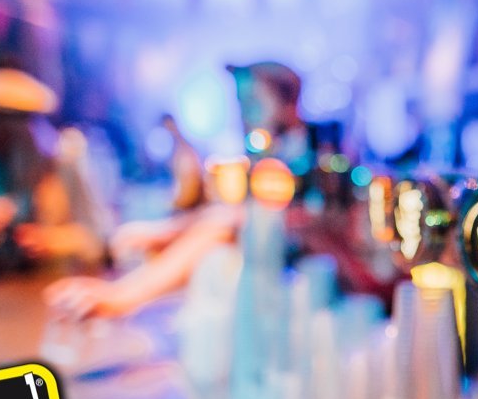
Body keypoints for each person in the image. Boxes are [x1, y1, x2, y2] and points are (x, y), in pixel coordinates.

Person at [44, 61, 316, 320]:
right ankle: (120, 293)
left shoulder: (308, 154)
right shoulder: (270, 152)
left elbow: (250, 217)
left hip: (296, 255)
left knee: (216, 228)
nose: (244, 113)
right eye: (240, 103)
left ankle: (121, 297)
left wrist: (164, 232)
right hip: (270, 247)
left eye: (253, 102)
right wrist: (164, 232)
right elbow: (237, 211)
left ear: (288, 103)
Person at [0, 68, 109, 272]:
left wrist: (52, 241)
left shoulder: (63, 161)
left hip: (53, 281)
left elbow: (99, 239)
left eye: (4, 120)